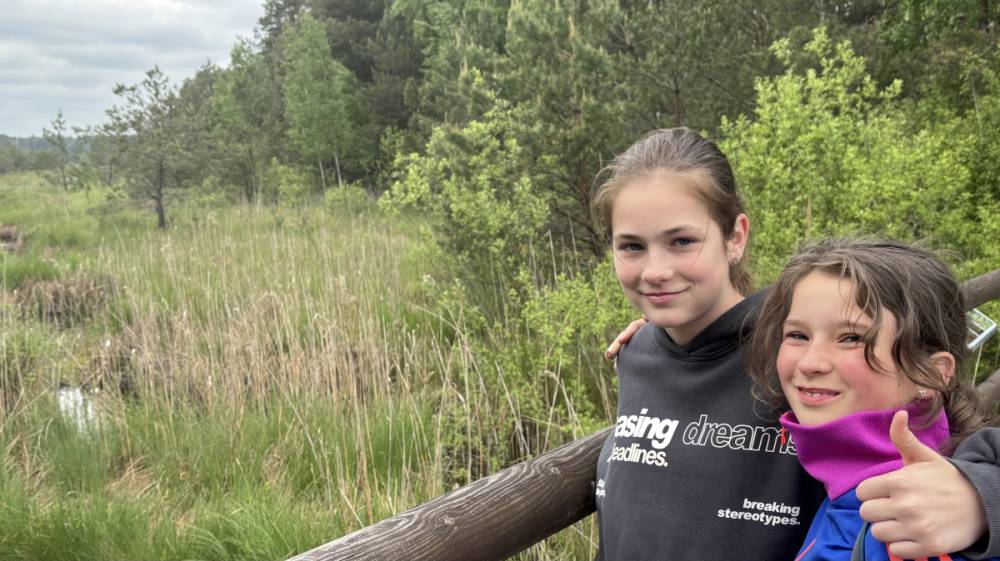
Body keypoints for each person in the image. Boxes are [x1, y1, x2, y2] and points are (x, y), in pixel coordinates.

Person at [592, 128, 1000, 561]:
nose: (655, 271)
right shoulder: (638, 353)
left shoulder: (789, 349)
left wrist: (981, 500)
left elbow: (947, 431)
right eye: (631, 246)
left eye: (682, 241)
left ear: (735, 237)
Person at [745, 239, 999, 560]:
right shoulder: (843, 489)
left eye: (851, 338)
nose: (810, 362)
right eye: (798, 335)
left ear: (933, 374)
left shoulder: (929, 525)